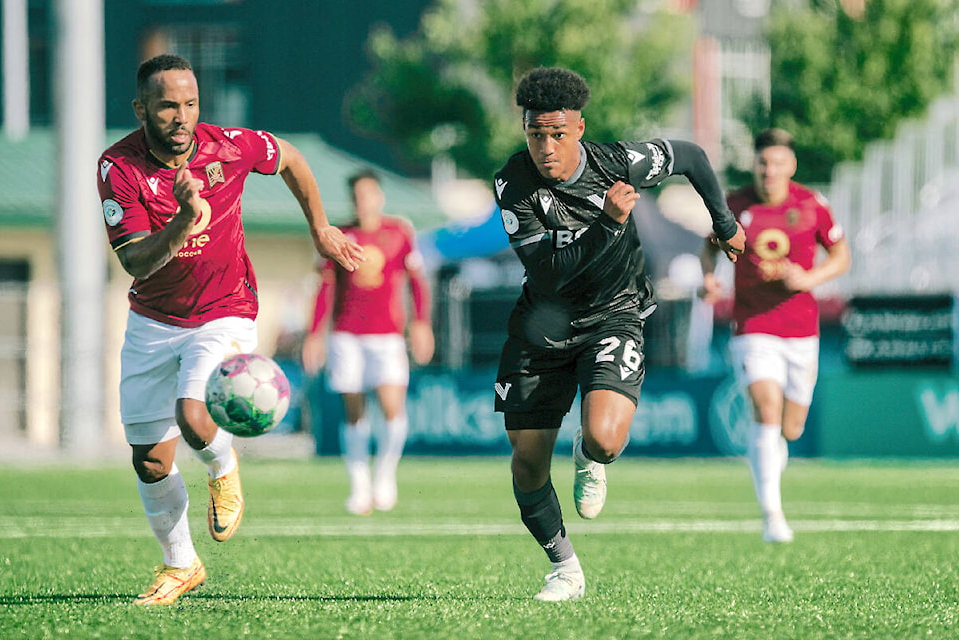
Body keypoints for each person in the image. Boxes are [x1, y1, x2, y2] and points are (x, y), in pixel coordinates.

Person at [96, 53, 363, 605]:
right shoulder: (117, 167)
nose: (181, 116)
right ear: (141, 108)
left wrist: (319, 227)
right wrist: (181, 222)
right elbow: (136, 262)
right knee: (149, 459)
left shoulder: (229, 146)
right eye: (167, 105)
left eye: (190, 104)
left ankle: (222, 463)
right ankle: (181, 564)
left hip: (226, 306)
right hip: (152, 319)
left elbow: (290, 157)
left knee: (194, 416)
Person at [493, 66, 746, 601]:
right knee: (528, 460)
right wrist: (608, 223)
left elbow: (692, 157)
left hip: (614, 313)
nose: (546, 147)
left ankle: (590, 455)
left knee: (606, 438)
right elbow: (548, 273)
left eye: (557, 134)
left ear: (579, 129)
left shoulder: (618, 162)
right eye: (536, 134)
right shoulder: (513, 182)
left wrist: (723, 223)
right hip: (543, 325)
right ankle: (565, 568)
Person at [700, 127, 851, 543]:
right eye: (763, 163)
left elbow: (841, 256)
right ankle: (773, 516)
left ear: (791, 166)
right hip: (752, 327)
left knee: (791, 428)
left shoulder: (812, 205)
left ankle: (771, 471)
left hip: (802, 331)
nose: (769, 171)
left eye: (777, 163)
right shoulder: (735, 206)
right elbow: (710, 246)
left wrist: (807, 279)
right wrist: (709, 279)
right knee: (765, 411)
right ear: (756, 164)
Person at [302, 169, 434, 515]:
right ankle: (359, 487)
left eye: (369, 194)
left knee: (393, 408)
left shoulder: (399, 232)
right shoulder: (339, 235)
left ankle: (385, 477)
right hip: (347, 334)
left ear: (379, 196)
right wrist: (315, 333)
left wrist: (421, 323)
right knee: (354, 411)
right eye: (358, 196)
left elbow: (417, 281)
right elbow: (325, 287)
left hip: (388, 334)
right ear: (352, 200)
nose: (364, 201)